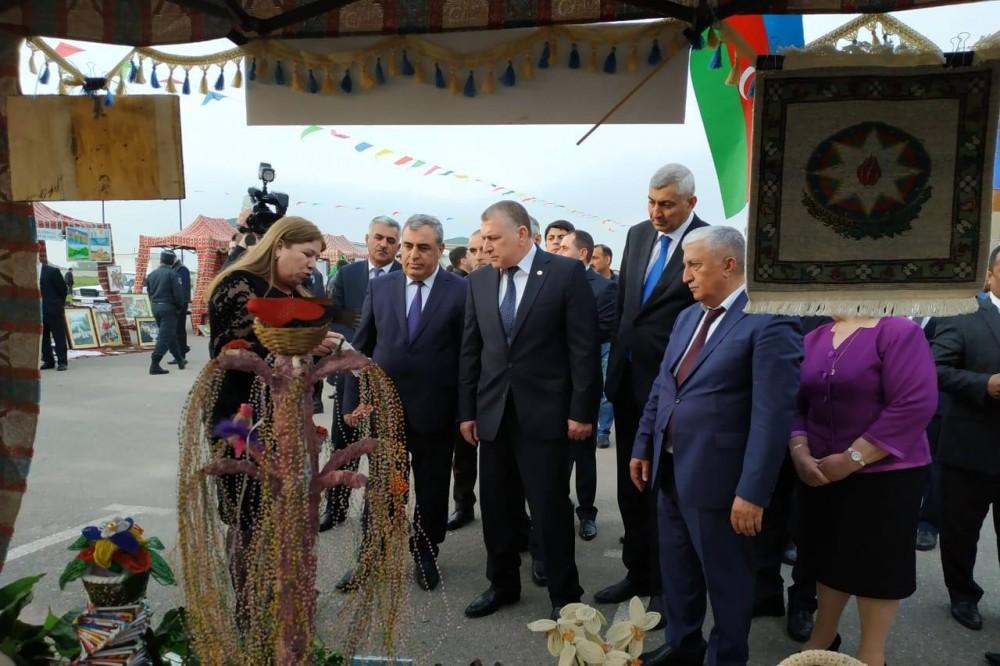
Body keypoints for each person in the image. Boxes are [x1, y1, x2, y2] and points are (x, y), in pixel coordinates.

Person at [630, 226, 802, 666]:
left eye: (693, 265)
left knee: (726, 581)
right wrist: (643, 444)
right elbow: (663, 386)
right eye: (685, 265)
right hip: (670, 471)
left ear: (729, 265)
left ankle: (726, 657)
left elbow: (772, 416)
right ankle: (684, 647)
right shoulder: (689, 316)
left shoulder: (769, 320)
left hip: (723, 483)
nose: (685, 275)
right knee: (678, 571)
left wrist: (753, 492)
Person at [459, 200, 600, 620]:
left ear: (522, 235)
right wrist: (467, 411)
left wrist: (582, 411)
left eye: (494, 238)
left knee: (550, 508)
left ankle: (565, 596)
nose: (486, 246)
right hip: (494, 415)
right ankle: (502, 584)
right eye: (483, 238)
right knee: (497, 508)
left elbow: (584, 350)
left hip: (547, 416)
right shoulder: (479, 282)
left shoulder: (565, 274)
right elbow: (472, 351)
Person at [205, 216, 342, 619]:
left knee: (285, 517)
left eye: (317, 256)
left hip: (287, 421)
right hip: (243, 423)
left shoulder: (295, 290)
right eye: (307, 254)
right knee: (249, 519)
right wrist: (305, 348)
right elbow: (233, 352)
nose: (313, 264)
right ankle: (251, 612)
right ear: (279, 245)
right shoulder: (239, 285)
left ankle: (283, 601)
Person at [793, 316, 935, 666]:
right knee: (828, 556)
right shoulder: (814, 337)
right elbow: (796, 403)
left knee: (879, 565)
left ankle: (872, 654)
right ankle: (823, 638)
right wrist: (800, 450)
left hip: (886, 474)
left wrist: (854, 458)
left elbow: (915, 403)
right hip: (823, 472)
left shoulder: (898, 332)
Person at [599, 163, 708, 608]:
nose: (656, 212)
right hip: (628, 383)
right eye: (651, 201)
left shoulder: (707, 244)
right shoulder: (638, 235)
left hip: (673, 388)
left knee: (667, 495)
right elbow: (628, 301)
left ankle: (668, 590)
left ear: (691, 203)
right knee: (631, 485)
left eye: (666, 204)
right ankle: (637, 572)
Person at [343, 214, 467, 591]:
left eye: (423, 248)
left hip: (437, 413)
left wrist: (465, 413)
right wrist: (352, 398)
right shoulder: (382, 288)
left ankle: (426, 553)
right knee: (383, 488)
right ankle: (372, 553)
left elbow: (468, 357)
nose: (413, 255)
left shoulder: (461, 291)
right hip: (385, 412)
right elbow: (360, 347)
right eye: (408, 246)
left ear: (440, 251)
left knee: (431, 490)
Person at [933, 245, 1000, 633]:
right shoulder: (964, 315)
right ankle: (962, 594)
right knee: (960, 530)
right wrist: (983, 384)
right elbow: (935, 368)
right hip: (970, 446)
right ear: (989, 276)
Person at [321, 216, 401, 532]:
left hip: (388, 379)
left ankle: (380, 516)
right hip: (348, 375)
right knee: (343, 448)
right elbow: (337, 319)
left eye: (391, 240)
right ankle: (336, 508)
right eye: (378, 237)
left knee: (385, 452)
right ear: (367, 238)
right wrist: (354, 352)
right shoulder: (348, 274)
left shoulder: (404, 276)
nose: (383, 244)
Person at [557, 230, 617, 541]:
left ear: (582, 254)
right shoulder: (550, 282)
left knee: (583, 454)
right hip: (552, 386)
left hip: (583, 384)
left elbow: (600, 333)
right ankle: (556, 509)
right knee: (556, 455)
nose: (557, 249)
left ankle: (587, 513)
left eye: (564, 246)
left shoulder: (604, 288)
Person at [591, 242, 617, 448]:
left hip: (609, 342)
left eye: (596, 258)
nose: (592, 262)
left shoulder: (621, 284)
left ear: (607, 259)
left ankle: (603, 431)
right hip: (590, 343)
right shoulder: (584, 282)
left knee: (606, 389)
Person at [145, 250, 187, 375]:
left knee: (170, 335)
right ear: (173, 261)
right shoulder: (173, 274)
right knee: (164, 337)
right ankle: (155, 363)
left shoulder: (152, 274)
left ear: (161, 260)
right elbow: (179, 295)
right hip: (169, 308)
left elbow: (149, 293)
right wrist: (180, 307)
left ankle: (180, 359)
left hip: (155, 306)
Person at [40, 260, 69, 371]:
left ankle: (62, 361)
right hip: (37, 310)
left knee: (59, 335)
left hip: (53, 309)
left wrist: (58, 304)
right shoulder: (28, 273)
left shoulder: (51, 271)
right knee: (43, 337)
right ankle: (48, 361)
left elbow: (63, 289)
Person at [171, 255, 192, 362]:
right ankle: (180, 353)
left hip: (181, 303)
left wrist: (181, 302)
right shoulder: (175, 268)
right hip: (178, 302)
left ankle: (182, 353)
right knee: (177, 329)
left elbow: (182, 288)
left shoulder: (182, 269)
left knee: (179, 329)